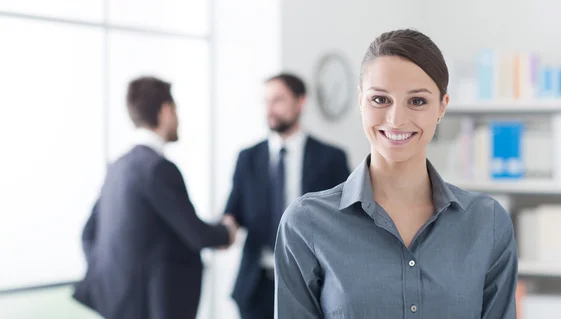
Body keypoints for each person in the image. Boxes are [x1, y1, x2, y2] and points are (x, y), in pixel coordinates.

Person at [274, 29, 518, 318]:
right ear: (360, 101)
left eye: (417, 101)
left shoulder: (487, 223)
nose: (396, 119)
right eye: (380, 100)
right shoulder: (306, 223)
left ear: (442, 107)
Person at [72, 76, 237, 319]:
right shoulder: (157, 168)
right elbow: (195, 234)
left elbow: (88, 233)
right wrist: (227, 231)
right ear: (166, 110)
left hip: (118, 306)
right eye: (176, 110)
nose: (178, 119)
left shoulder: (118, 167)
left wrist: (114, 276)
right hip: (151, 307)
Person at [223, 73, 351, 319]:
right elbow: (233, 211)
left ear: (300, 102)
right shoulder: (248, 157)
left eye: (278, 100)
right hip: (256, 285)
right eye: (266, 101)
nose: (270, 109)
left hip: (312, 282)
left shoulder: (330, 158)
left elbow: (346, 218)